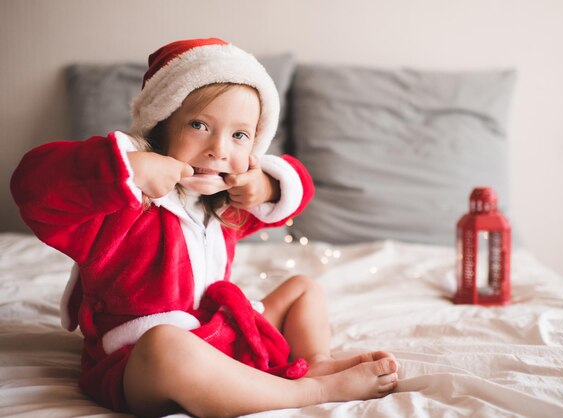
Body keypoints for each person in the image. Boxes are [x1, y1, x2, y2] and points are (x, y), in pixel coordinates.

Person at [11, 37, 399, 418]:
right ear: (161, 126)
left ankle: (317, 362)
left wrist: (265, 185)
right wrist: (127, 170)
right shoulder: (117, 205)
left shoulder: (225, 204)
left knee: (303, 288)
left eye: (239, 135)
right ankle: (309, 390)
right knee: (165, 345)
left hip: (220, 334)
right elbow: (32, 186)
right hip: (140, 361)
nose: (219, 149)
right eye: (199, 125)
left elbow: (301, 188)